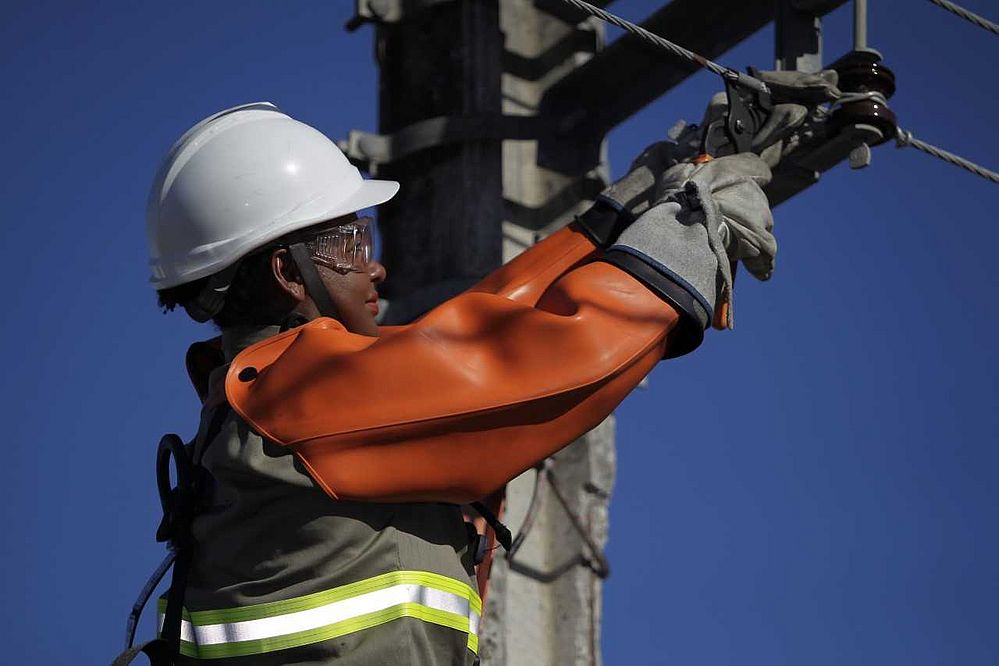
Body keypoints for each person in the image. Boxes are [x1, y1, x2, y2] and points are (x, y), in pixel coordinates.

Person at [123, 70, 837, 666]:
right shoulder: (297, 388)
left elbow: (469, 337)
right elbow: (543, 363)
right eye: (347, 239)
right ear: (287, 270)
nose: (374, 263)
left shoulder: (276, 395)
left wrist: (615, 217)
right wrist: (687, 232)